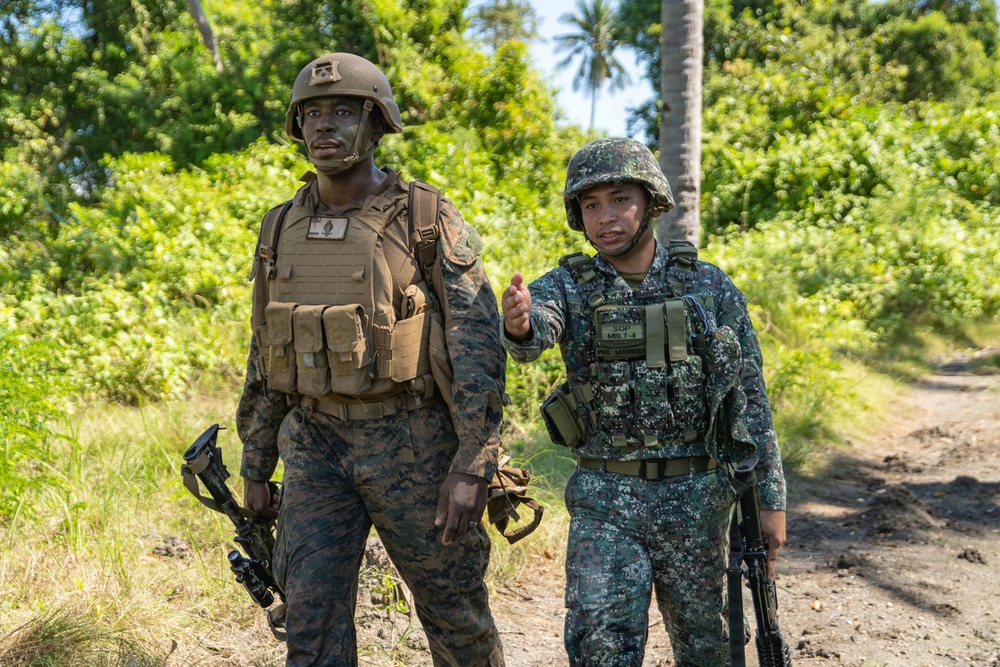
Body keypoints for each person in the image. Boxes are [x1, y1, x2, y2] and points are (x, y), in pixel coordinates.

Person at [236, 52, 506, 667]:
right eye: (311, 114)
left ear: (377, 124)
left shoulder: (426, 218)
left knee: (455, 614)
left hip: (414, 440)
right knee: (310, 620)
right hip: (314, 440)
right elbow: (267, 348)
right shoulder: (280, 226)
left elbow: (477, 347)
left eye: (341, 112)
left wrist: (472, 464)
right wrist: (256, 462)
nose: (323, 127)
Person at [501, 137, 787, 667]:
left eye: (619, 199)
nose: (605, 217)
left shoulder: (707, 286)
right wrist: (520, 322)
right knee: (599, 645)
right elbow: (536, 329)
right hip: (606, 497)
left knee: (710, 649)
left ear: (651, 201)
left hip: (699, 497)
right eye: (591, 205)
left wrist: (771, 501)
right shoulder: (569, 285)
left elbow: (750, 395)